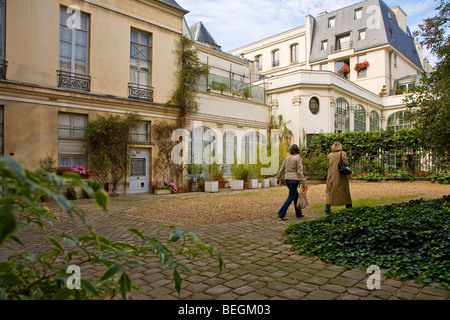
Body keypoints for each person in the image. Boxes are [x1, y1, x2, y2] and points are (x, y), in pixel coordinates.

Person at [276, 144, 307, 220]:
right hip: (294, 179)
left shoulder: (286, 158)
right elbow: (299, 171)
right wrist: (303, 181)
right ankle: (281, 212)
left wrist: (278, 177)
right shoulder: (298, 158)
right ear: (297, 150)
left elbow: (282, 168)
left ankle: (299, 213)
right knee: (291, 197)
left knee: (295, 195)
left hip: (287, 179)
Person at [325, 141, 353, 214]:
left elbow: (328, 165)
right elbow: (346, 163)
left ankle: (327, 208)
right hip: (339, 175)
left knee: (329, 191)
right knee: (344, 189)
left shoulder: (329, 155)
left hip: (331, 175)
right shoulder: (342, 153)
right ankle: (348, 205)